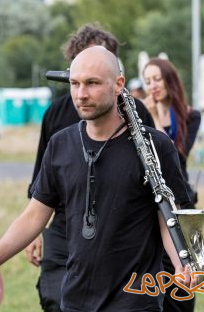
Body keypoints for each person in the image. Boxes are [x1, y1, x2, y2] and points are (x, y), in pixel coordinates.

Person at [0, 46, 196, 312]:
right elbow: (34, 216)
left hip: (134, 301)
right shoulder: (60, 145)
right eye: (75, 84)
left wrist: (181, 262)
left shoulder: (154, 146)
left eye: (92, 83)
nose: (81, 94)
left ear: (118, 84)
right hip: (75, 300)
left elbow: (168, 216)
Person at [25, 24, 155, 312]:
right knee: (54, 298)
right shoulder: (56, 114)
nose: (84, 90)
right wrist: (34, 234)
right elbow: (39, 181)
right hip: (62, 225)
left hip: (117, 230)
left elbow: (155, 182)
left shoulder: (136, 113)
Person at [142, 58, 201, 312]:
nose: (153, 86)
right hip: (149, 201)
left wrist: (153, 117)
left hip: (179, 199)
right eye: (147, 81)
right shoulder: (139, 114)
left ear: (170, 80)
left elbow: (175, 156)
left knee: (185, 262)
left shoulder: (189, 115)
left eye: (157, 79)